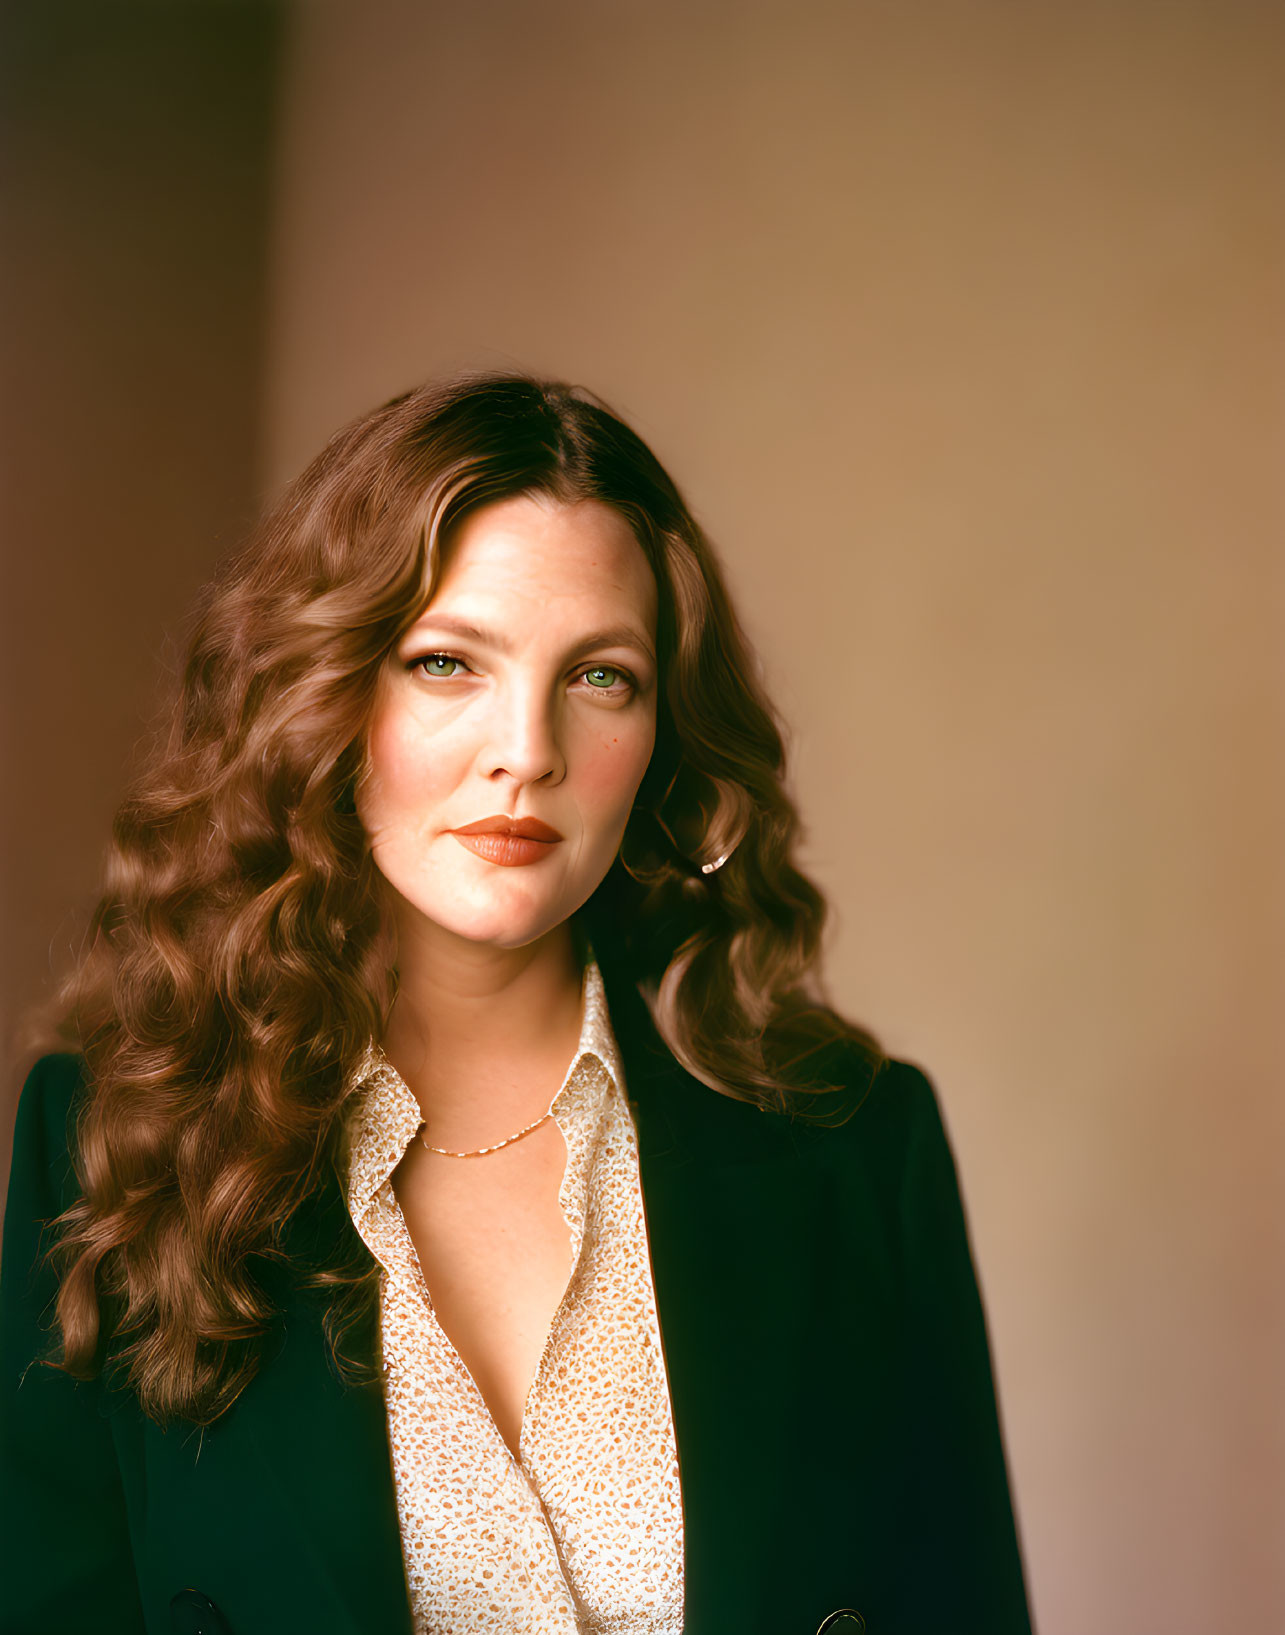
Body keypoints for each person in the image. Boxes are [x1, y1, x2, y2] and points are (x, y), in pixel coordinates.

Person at [0, 374, 1033, 1635]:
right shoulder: (117, 1136)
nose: (526, 748)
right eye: (446, 662)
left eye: (601, 678)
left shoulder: (854, 1148)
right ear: (323, 696)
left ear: (661, 736)